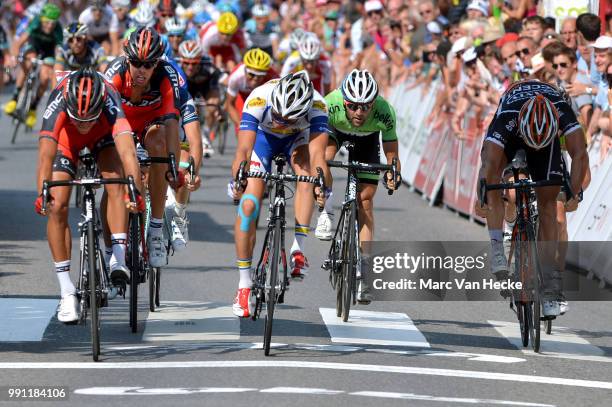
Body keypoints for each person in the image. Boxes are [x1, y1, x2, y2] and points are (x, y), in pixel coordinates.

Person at [35, 67, 144, 323]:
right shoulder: (59, 99)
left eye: (88, 119)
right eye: (79, 119)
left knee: (116, 183)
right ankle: (66, 292)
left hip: (103, 136)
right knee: (57, 203)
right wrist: (42, 191)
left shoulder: (109, 98)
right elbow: (45, 156)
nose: (83, 125)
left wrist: (135, 189)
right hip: (66, 140)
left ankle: (117, 259)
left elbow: (128, 152)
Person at [476, 79, 588, 317]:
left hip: (547, 140)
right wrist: (482, 195)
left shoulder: (562, 110)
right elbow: (489, 165)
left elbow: (580, 154)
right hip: (515, 133)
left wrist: (574, 192)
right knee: (494, 180)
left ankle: (548, 287)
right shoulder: (507, 116)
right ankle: (497, 246)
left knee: (549, 207)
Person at [229, 71, 328, 318]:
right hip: (264, 140)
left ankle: (298, 249)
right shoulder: (259, 98)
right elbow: (243, 149)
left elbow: (319, 157)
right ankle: (244, 285)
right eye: (279, 116)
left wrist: (320, 184)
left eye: (289, 118)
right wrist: (239, 178)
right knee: (249, 205)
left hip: (298, 141)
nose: (282, 121)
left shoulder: (317, 106)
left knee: (307, 173)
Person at [314, 69, 401, 303]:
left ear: (374, 103)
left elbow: (391, 150)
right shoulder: (329, 103)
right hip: (336, 132)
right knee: (325, 159)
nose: (359, 112)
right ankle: (327, 212)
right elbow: (317, 152)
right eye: (352, 106)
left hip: (368, 140)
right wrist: (319, 180)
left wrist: (394, 172)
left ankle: (363, 272)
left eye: (365, 107)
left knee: (365, 201)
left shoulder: (384, 111)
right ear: (344, 101)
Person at [104, 27, 183, 268]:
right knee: (114, 178)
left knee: (160, 148)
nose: (142, 70)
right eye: (137, 63)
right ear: (128, 58)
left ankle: (156, 231)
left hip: (153, 121)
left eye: (148, 65)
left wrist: (173, 165)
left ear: (156, 64)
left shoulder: (167, 76)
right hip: (121, 121)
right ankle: (110, 250)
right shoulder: (114, 75)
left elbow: (171, 123)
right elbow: (103, 119)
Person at [4, 3, 63, 128]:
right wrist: (14, 58)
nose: (50, 26)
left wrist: (56, 63)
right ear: (42, 19)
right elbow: (19, 42)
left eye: (53, 23)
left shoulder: (58, 30)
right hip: (34, 45)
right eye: (47, 22)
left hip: (49, 50)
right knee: (28, 62)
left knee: (45, 77)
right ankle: (14, 98)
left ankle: (33, 109)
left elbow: (59, 51)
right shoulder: (35, 23)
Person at [178, 40, 224, 157]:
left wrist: (218, 105)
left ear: (200, 61)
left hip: (205, 85)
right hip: (188, 86)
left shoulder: (209, 67)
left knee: (212, 105)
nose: (190, 67)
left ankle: (206, 134)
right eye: (186, 63)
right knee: (191, 109)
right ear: (181, 60)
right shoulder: (176, 67)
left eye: (194, 63)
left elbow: (217, 87)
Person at [226, 48, 278, 132]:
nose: (255, 79)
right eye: (251, 74)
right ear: (245, 70)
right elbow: (230, 104)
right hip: (243, 96)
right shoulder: (236, 77)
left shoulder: (273, 77)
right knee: (242, 128)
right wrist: (240, 125)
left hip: (263, 98)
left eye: (260, 75)